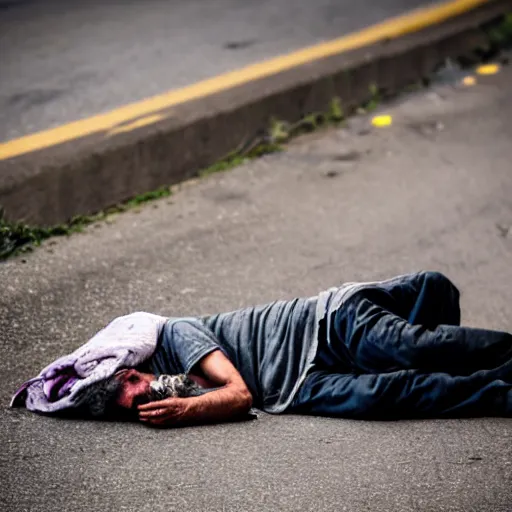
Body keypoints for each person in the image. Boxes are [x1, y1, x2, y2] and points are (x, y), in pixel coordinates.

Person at [11, 271, 512, 426]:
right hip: (296, 386)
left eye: (138, 384)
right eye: (137, 402)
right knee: (384, 397)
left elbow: (238, 393)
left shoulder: (174, 334)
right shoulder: (158, 396)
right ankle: (498, 392)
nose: (148, 393)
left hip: (325, 324)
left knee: (408, 347)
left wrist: (188, 405)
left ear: (133, 365)